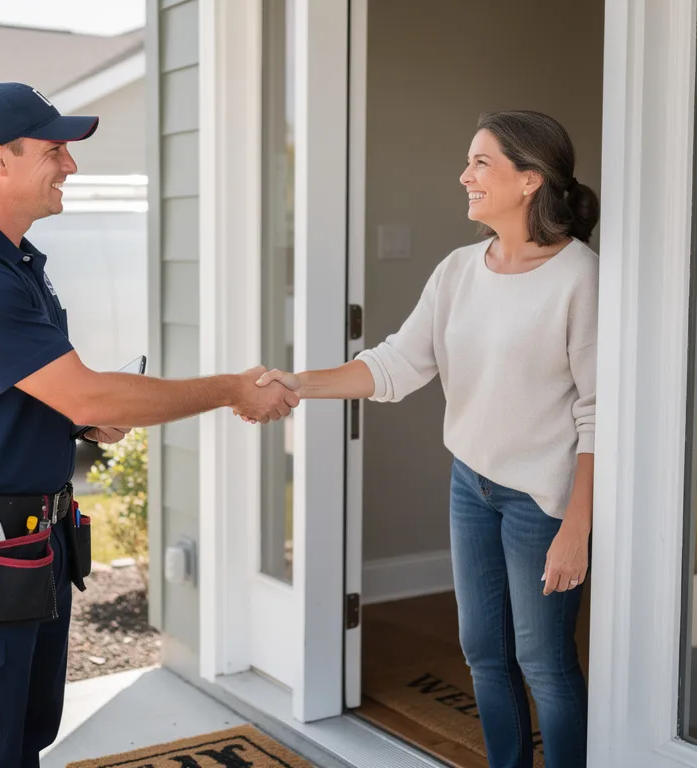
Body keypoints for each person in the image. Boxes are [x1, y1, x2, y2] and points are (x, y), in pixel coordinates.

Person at [0, 82, 299, 768]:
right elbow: (86, 395)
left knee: (20, 738)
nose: (71, 166)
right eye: (55, 150)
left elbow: (14, 394)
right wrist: (231, 388)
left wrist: (75, 425)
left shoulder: (12, 263)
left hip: (20, 547)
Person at [248, 110, 599, 768]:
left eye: (480, 163)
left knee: (543, 663)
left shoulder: (580, 276)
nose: (464, 175)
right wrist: (295, 383)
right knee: (482, 654)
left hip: (542, 500)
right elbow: (395, 364)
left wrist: (575, 528)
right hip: (472, 482)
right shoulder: (460, 270)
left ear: (529, 180)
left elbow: (597, 411)